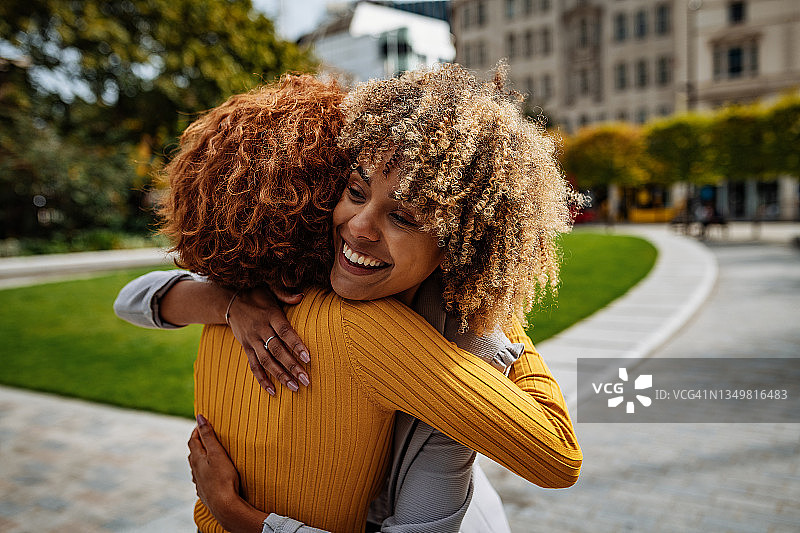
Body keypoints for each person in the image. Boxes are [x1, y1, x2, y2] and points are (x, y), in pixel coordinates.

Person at [116, 65, 580, 533]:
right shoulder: (303, 272)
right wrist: (230, 305)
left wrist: (237, 515)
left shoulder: (456, 346)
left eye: (403, 217)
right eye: (356, 191)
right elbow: (133, 298)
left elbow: (556, 456)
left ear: (458, 245)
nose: (359, 225)